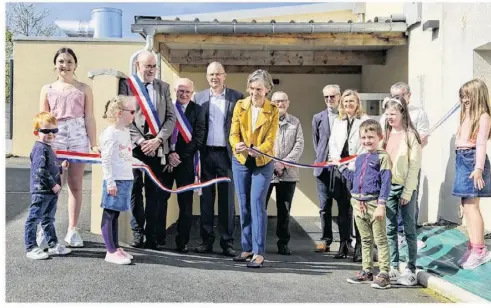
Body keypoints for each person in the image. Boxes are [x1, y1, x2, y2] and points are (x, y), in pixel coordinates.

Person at [39, 47, 99, 248]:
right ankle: (45, 227)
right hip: (55, 136)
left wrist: (93, 143)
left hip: (78, 135)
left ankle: (73, 230)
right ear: (55, 64)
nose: (65, 65)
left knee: (75, 185)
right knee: (54, 184)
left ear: (75, 65)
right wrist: (43, 141)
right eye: (61, 61)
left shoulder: (84, 89)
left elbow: (89, 117)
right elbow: (43, 118)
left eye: (69, 62)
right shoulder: (47, 89)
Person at [118, 50, 176, 250]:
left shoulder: (164, 87)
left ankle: (152, 235)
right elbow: (125, 116)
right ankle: (137, 232)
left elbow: (171, 118)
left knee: (154, 192)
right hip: (135, 147)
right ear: (138, 66)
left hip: (158, 148)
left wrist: (158, 140)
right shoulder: (127, 85)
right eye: (147, 66)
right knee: (135, 190)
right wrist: (141, 141)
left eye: (154, 66)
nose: (151, 70)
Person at [334, 119, 392, 289]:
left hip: (374, 204)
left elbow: (386, 182)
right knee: (365, 239)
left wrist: (381, 204)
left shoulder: (383, 157)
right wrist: (342, 168)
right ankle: (367, 271)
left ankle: (384, 273)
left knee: (380, 240)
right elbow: (354, 179)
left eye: (371, 137)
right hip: (358, 203)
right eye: (364, 137)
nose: (367, 141)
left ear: (379, 137)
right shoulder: (360, 158)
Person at [229, 69, 279, 268]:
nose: (254, 93)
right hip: (241, 161)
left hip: (263, 162)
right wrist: (236, 145)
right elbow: (233, 133)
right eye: (251, 88)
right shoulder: (240, 106)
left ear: (267, 89)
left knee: (257, 203)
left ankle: (259, 252)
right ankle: (247, 247)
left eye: (258, 89)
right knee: (244, 205)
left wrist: (261, 150)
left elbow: (271, 139)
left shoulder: (273, 109)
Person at [193, 62, 244, 256]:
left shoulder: (237, 97)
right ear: (207, 77)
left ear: (225, 76)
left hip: (227, 155)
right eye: (211, 74)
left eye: (218, 74)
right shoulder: (198, 98)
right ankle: (206, 241)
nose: (214, 77)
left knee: (226, 200)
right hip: (205, 154)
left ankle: (227, 242)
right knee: (206, 199)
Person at [158, 78, 206, 253]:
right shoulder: (168, 108)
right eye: (181, 91)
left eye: (187, 92)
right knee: (161, 199)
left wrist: (180, 157)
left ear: (192, 93)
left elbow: (199, 138)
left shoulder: (198, 110)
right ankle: (159, 238)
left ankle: (182, 241)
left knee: (185, 204)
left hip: (186, 162)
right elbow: (160, 130)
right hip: (166, 161)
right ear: (175, 91)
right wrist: (170, 155)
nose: (184, 95)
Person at [380, 82, 429, 249]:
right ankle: (394, 237)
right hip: (390, 168)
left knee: (408, 201)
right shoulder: (386, 116)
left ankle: (408, 236)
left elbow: (423, 137)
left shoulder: (418, 114)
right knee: (390, 206)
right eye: (394, 95)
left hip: (409, 164)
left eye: (401, 95)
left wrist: (409, 149)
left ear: (409, 95)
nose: (397, 99)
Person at [382, 96, 422, 286]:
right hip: (388, 187)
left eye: (393, 113)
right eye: (387, 113)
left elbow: (414, 167)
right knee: (389, 229)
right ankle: (393, 266)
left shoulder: (411, 136)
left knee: (409, 229)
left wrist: (407, 192)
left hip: (406, 187)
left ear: (402, 113)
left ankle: (411, 268)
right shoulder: (386, 135)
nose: (389, 117)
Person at [452, 79, 491, 269]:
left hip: (472, 160)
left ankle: (480, 250)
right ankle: (473, 245)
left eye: (467, 96)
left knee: (472, 206)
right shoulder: (465, 114)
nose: (464, 99)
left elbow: (481, 143)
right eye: (462, 96)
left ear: (477, 96)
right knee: (466, 206)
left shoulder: (483, 116)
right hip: (461, 158)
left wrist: (478, 169)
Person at [327, 89, 370, 261]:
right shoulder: (338, 121)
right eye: (345, 102)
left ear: (357, 103)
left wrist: (352, 164)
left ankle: (359, 247)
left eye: (351, 101)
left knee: (358, 209)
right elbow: (333, 144)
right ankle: (343, 244)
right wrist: (338, 161)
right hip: (340, 169)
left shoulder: (364, 121)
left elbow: (365, 145)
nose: (348, 105)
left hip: (357, 169)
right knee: (343, 210)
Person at [25, 112, 71, 259]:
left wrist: (60, 168)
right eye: (45, 131)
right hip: (42, 191)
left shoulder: (48, 147)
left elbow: (49, 167)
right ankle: (31, 247)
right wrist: (53, 185)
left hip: (50, 192)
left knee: (48, 219)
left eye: (54, 130)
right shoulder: (40, 148)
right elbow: (40, 170)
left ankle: (52, 244)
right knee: (34, 218)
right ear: (36, 132)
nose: (50, 134)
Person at [265, 91, 304, 255]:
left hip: (288, 174)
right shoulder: (264, 120)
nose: (279, 104)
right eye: (276, 101)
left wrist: (283, 164)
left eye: (283, 101)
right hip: (266, 171)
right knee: (260, 207)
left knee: (284, 210)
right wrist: (272, 163)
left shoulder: (295, 122)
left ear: (288, 103)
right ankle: (257, 243)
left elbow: (299, 145)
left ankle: (283, 243)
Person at [99, 95, 137, 265]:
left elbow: (125, 155)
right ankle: (110, 251)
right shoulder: (110, 134)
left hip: (126, 178)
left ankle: (115, 247)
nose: (134, 115)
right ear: (120, 113)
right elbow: (106, 160)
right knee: (109, 213)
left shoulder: (125, 132)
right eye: (132, 112)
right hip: (115, 180)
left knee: (116, 215)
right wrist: (110, 182)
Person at [312, 84, 341, 254]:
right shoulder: (318, 117)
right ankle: (326, 239)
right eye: (326, 97)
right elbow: (317, 143)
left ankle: (346, 240)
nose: (329, 100)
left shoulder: (345, 116)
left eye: (333, 96)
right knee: (324, 206)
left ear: (339, 96)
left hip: (342, 167)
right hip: (323, 167)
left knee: (345, 207)